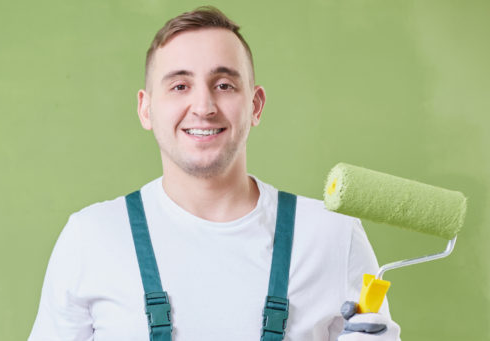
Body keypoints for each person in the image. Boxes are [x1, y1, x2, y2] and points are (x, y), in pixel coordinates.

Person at [28, 6, 401, 341]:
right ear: (147, 109)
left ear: (255, 105)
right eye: (179, 86)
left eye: (224, 85)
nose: (203, 106)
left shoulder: (332, 234)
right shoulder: (90, 238)